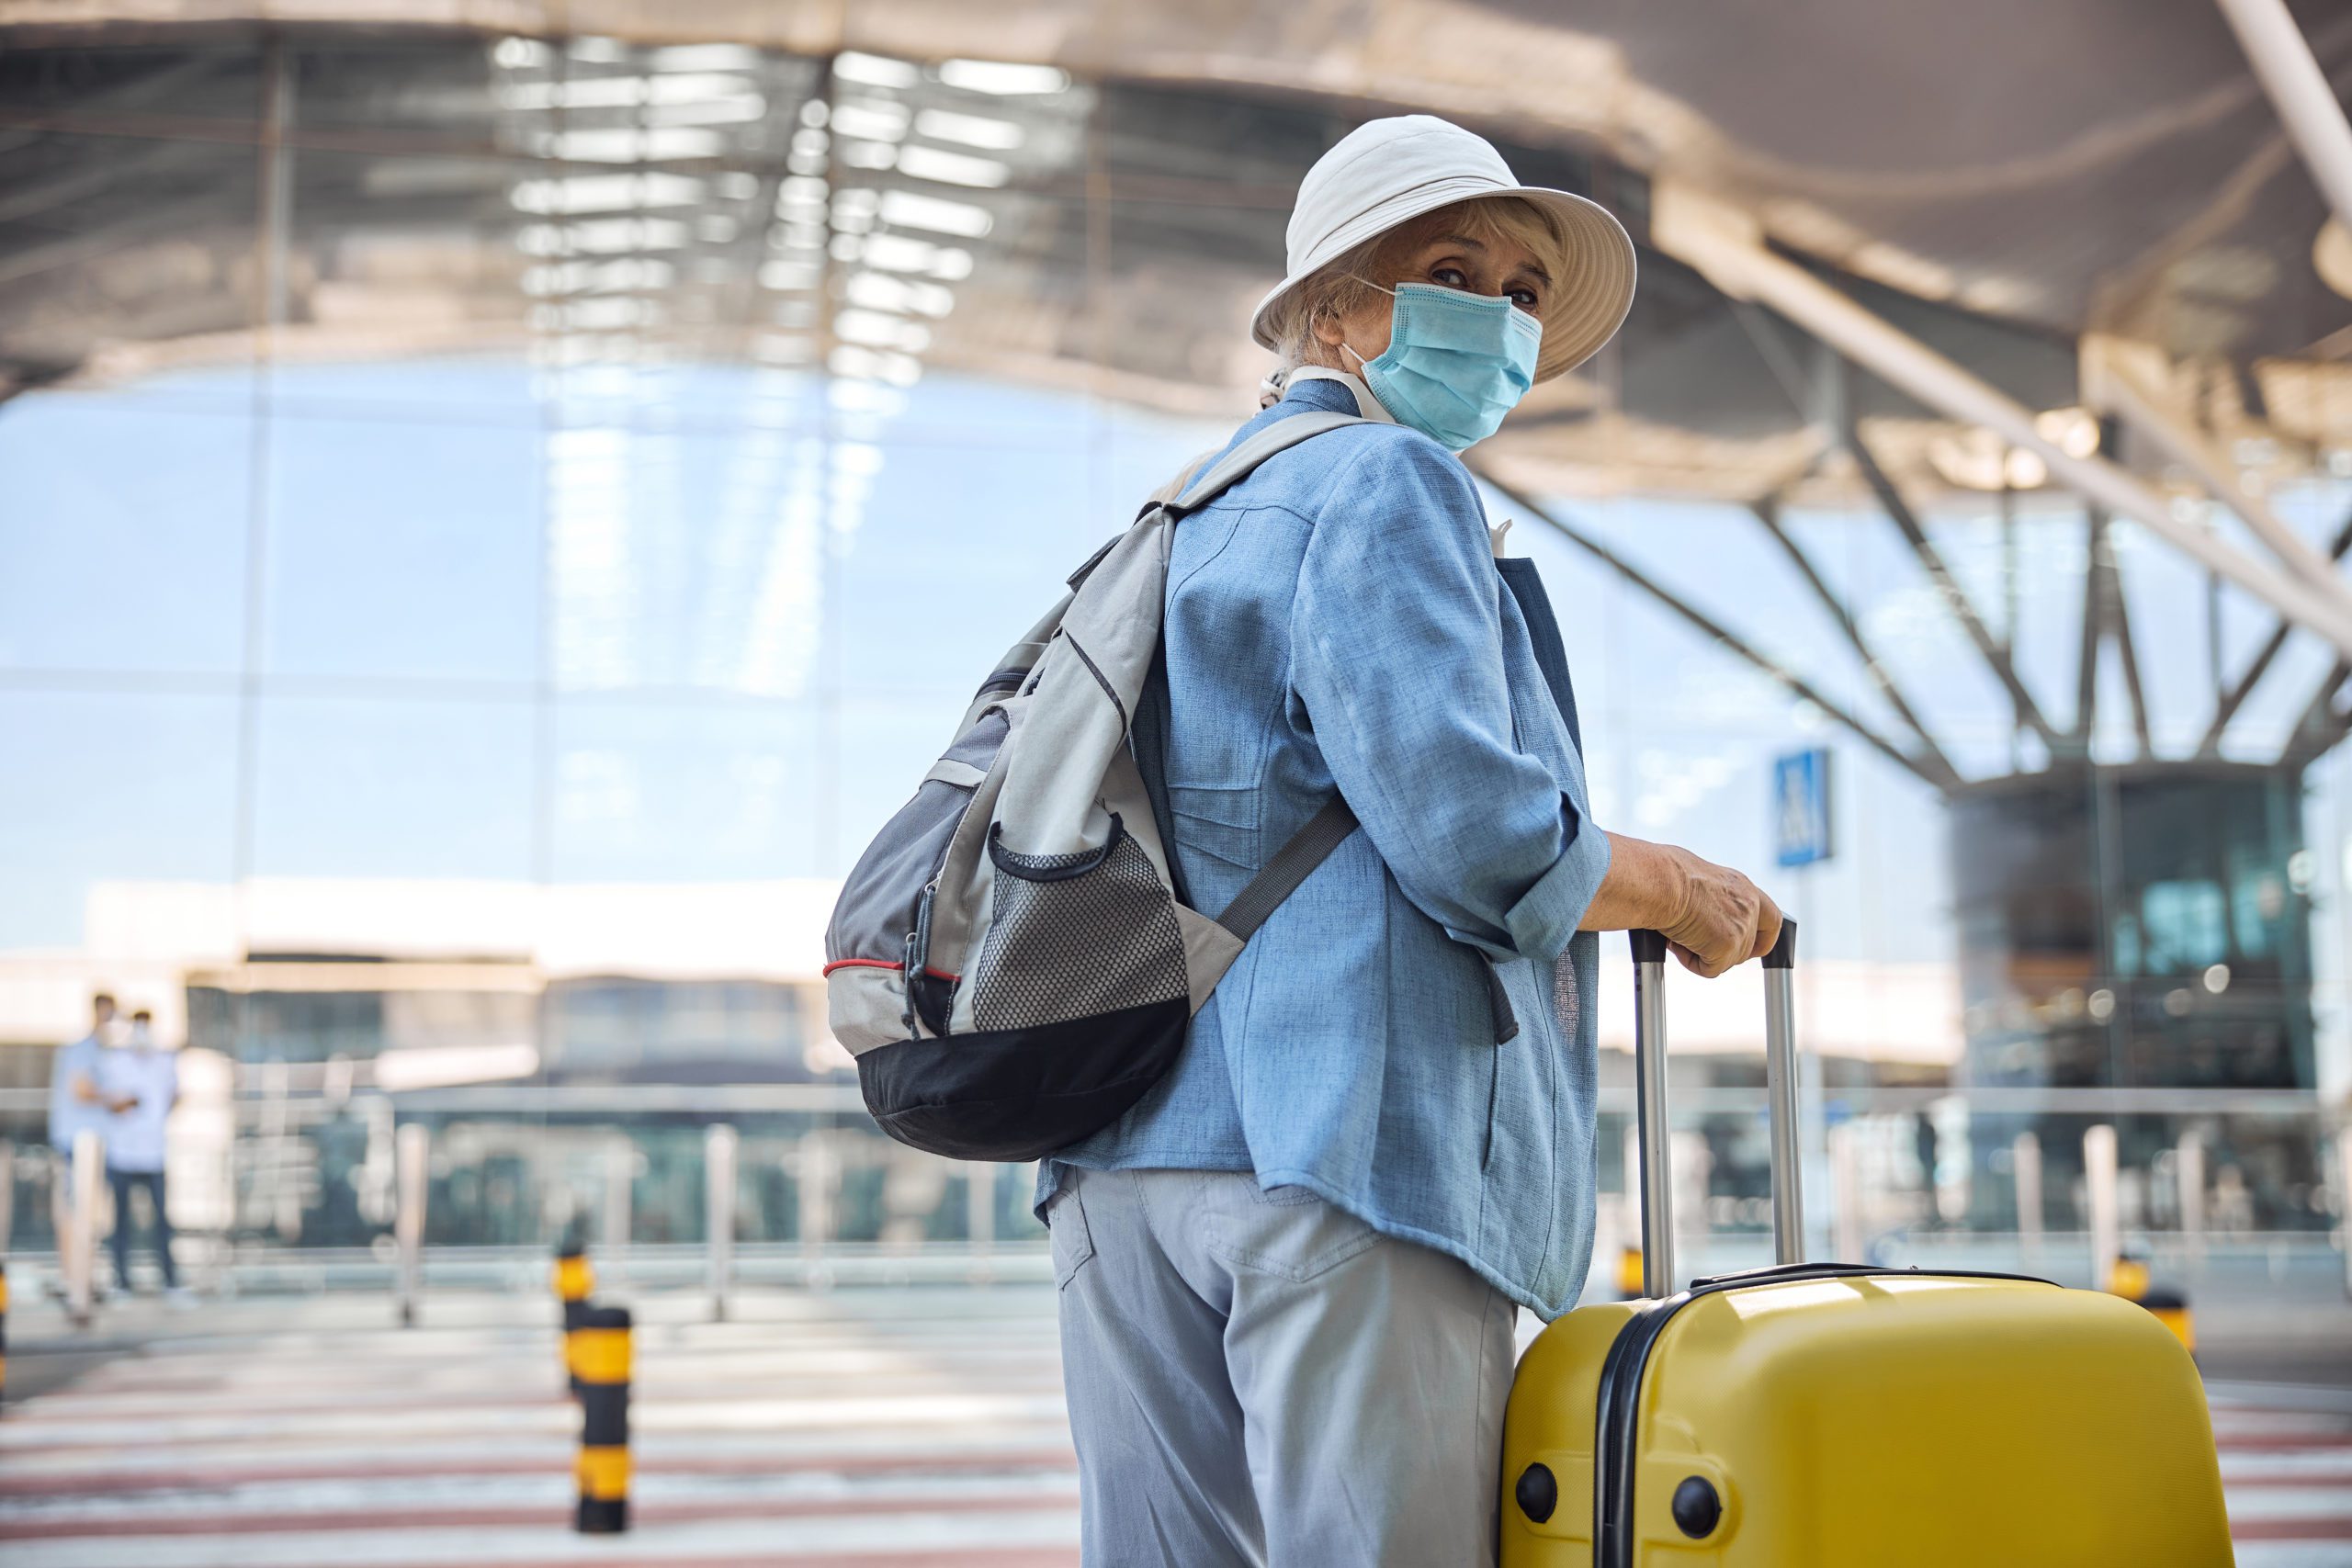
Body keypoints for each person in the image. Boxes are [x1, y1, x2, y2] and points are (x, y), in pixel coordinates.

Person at [1038, 116, 1781, 1568]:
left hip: (1121, 1151)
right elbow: (1477, 834)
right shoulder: (1389, 483)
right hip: (1342, 1151)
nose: (1498, 316)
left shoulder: (1180, 515)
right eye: (1451, 269)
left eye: (1517, 291)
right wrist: (1679, 888)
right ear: (1333, 310)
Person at [96, 1008, 187, 1303]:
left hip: (154, 1153)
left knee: (162, 1221)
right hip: (121, 1152)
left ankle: (171, 1282)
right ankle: (120, 1282)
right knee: (120, 1222)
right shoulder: (116, 1062)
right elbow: (106, 1100)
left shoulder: (164, 1062)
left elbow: (175, 1095)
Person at [46, 993, 121, 1301]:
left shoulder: (103, 1052)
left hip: (90, 1145)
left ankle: (82, 1278)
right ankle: (73, 1280)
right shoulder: (82, 1050)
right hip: (76, 1144)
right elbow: (80, 1089)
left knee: (91, 1215)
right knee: (73, 1212)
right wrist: (117, 1100)